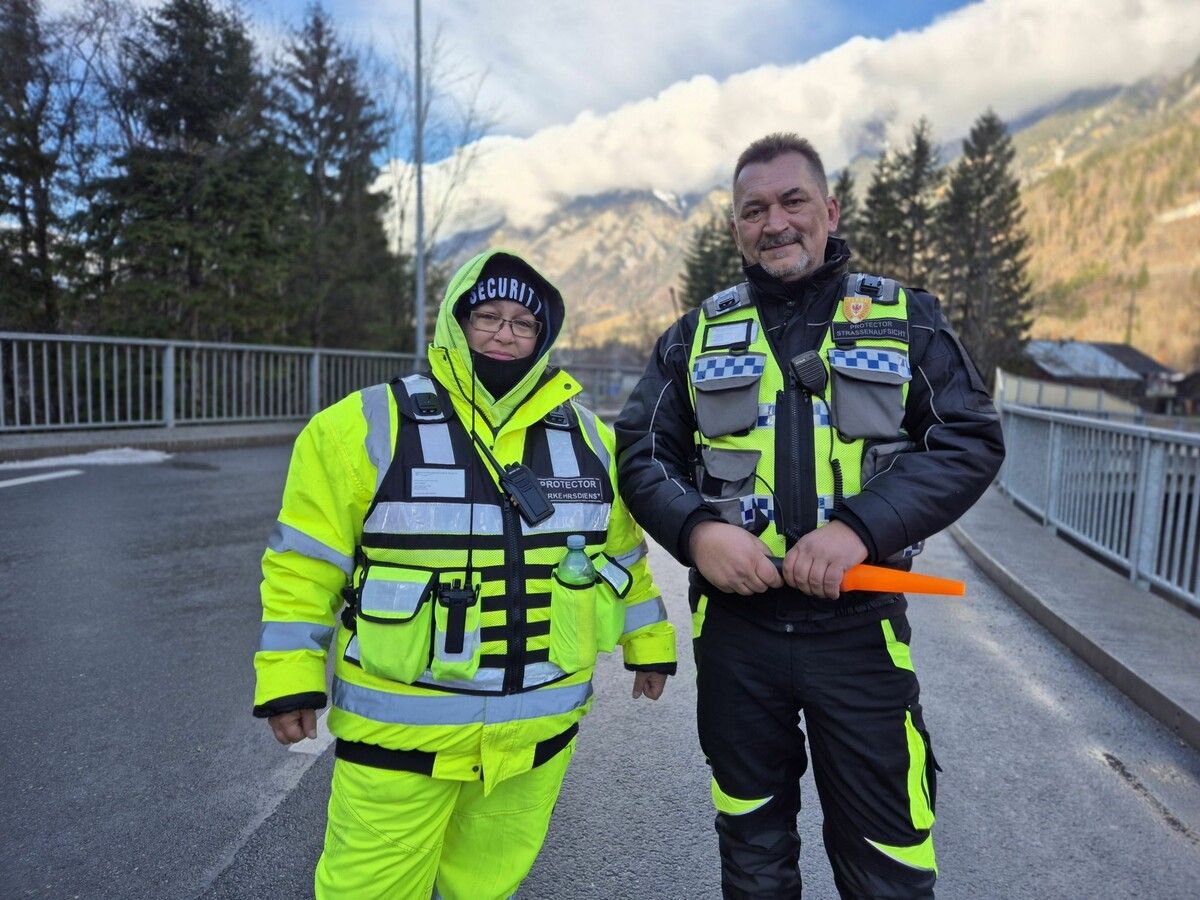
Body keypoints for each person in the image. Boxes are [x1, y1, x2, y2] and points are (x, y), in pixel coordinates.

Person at [615, 133, 1004, 899]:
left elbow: (968, 437)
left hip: (860, 633)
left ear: (828, 210)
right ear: (736, 229)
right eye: (753, 210)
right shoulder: (694, 336)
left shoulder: (905, 317)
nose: (775, 222)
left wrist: (862, 526)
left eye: (793, 201)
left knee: (889, 858)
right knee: (752, 851)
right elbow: (641, 451)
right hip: (737, 638)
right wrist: (699, 531)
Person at [254, 249, 677, 900]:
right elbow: (303, 569)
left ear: (543, 337)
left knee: (484, 892)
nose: (505, 333)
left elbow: (620, 559)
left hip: (535, 742)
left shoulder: (590, 440)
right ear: (456, 322)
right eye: (487, 316)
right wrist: (290, 681)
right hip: (400, 741)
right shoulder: (364, 426)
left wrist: (648, 645)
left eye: (522, 323)